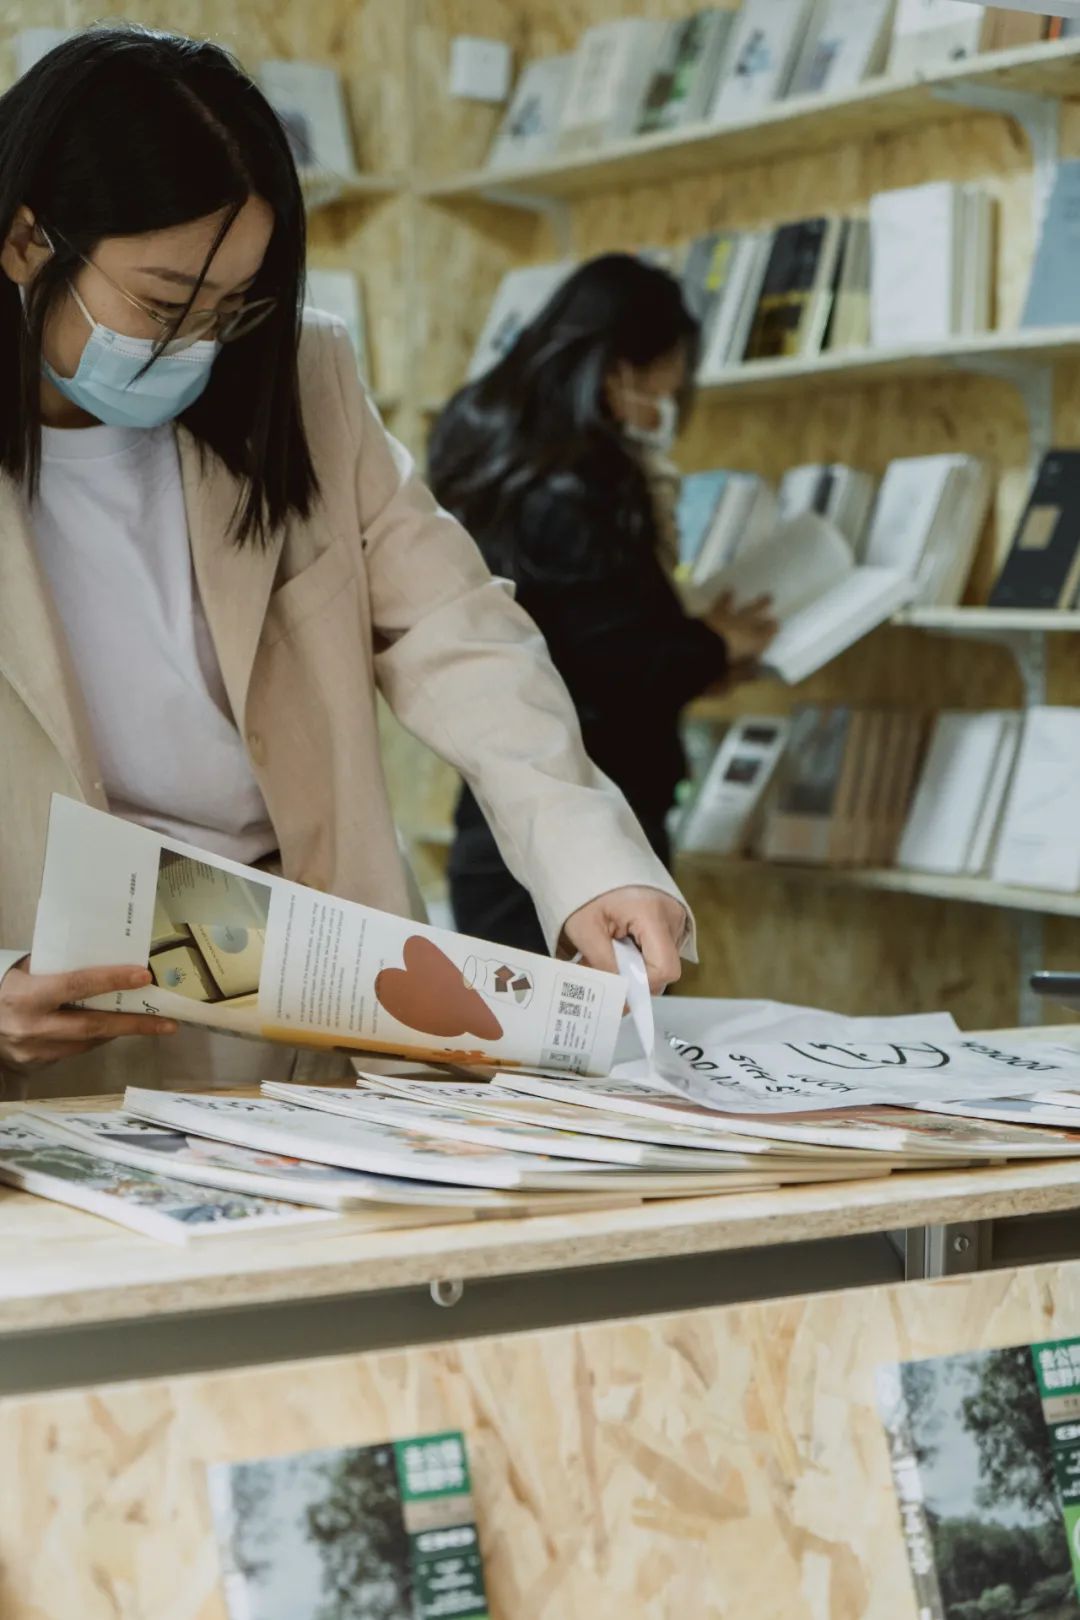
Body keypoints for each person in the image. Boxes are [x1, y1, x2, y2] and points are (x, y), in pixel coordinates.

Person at [0, 29, 694, 1099]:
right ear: (25, 241)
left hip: (313, 984)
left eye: (233, 307)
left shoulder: (299, 375)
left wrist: (587, 858)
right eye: (164, 301)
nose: (198, 344)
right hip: (60, 1008)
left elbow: (457, 628)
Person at [429, 254, 777, 956]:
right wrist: (714, 644)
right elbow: (616, 655)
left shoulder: (490, 444)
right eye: (667, 378)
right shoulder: (582, 481)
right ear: (622, 371)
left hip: (503, 813)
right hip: (594, 814)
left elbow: (563, 641)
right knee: (595, 1041)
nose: (671, 398)